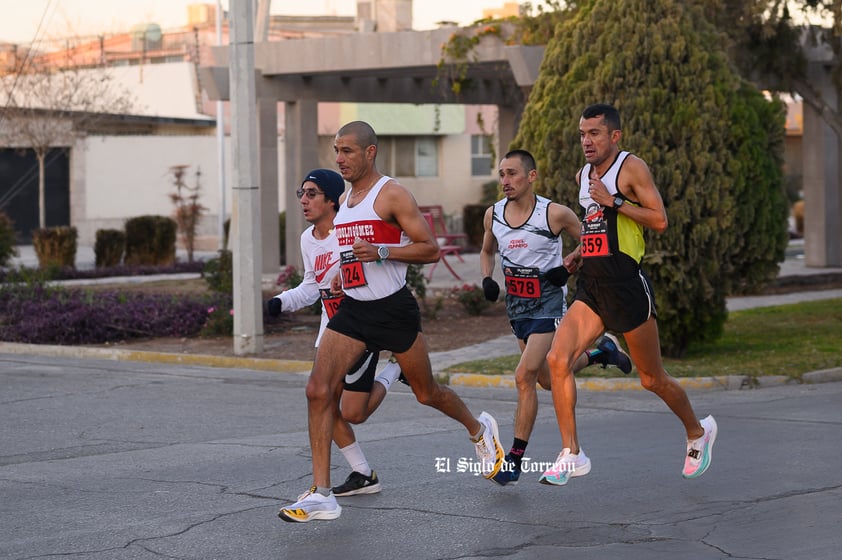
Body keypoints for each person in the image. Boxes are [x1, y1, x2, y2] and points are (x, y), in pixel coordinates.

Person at [278, 121, 504, 523]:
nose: (339, 159)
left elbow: (429, 249)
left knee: (427, 392)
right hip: (354, 312)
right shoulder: (345, 201)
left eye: (347, 151)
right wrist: (338, 273)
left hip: (394, 310)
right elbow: (351, 253)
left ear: (370, 153)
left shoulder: (392, 194)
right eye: (336, 150)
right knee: (317, 391)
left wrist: (383, 250)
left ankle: (478, 428)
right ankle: (322, 494)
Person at [540, 103, 717, 486]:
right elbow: (595, 226)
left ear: (614, 135)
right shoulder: (583, 174)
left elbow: (660, 220)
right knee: (558, 360)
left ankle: (697, 432)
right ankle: (572, 453)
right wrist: (577, 253)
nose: (586, 141)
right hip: (592, 286)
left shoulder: (631, 168)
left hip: (626, 286)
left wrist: (615, 201)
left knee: (652, 379)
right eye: (583, 134)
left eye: (595, 134)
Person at [479, 149, 632, 486]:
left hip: (548, 303)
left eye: (513, 174)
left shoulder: (555, 214)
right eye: (502, 174)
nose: (505, 181)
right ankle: (600, 352)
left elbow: (594, 239)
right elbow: (487, 249)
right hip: (518, 306)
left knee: (524, 376)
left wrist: (569, 264)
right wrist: (488, 278)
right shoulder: (493, 214)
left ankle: (515, 460)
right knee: (547, 379)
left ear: (531, 176)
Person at [266, 169, 401, 498]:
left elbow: (380, 270)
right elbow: (312, 288)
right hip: (330, 330)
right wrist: (279, 302)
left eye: (311, 193)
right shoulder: (307, 239)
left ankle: (396, 368)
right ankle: (363, 474)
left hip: (359, 329)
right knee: (321, 401)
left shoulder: (348, 231)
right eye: (301, 193)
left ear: (331, 199)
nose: (303, 200)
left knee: (355, 413)